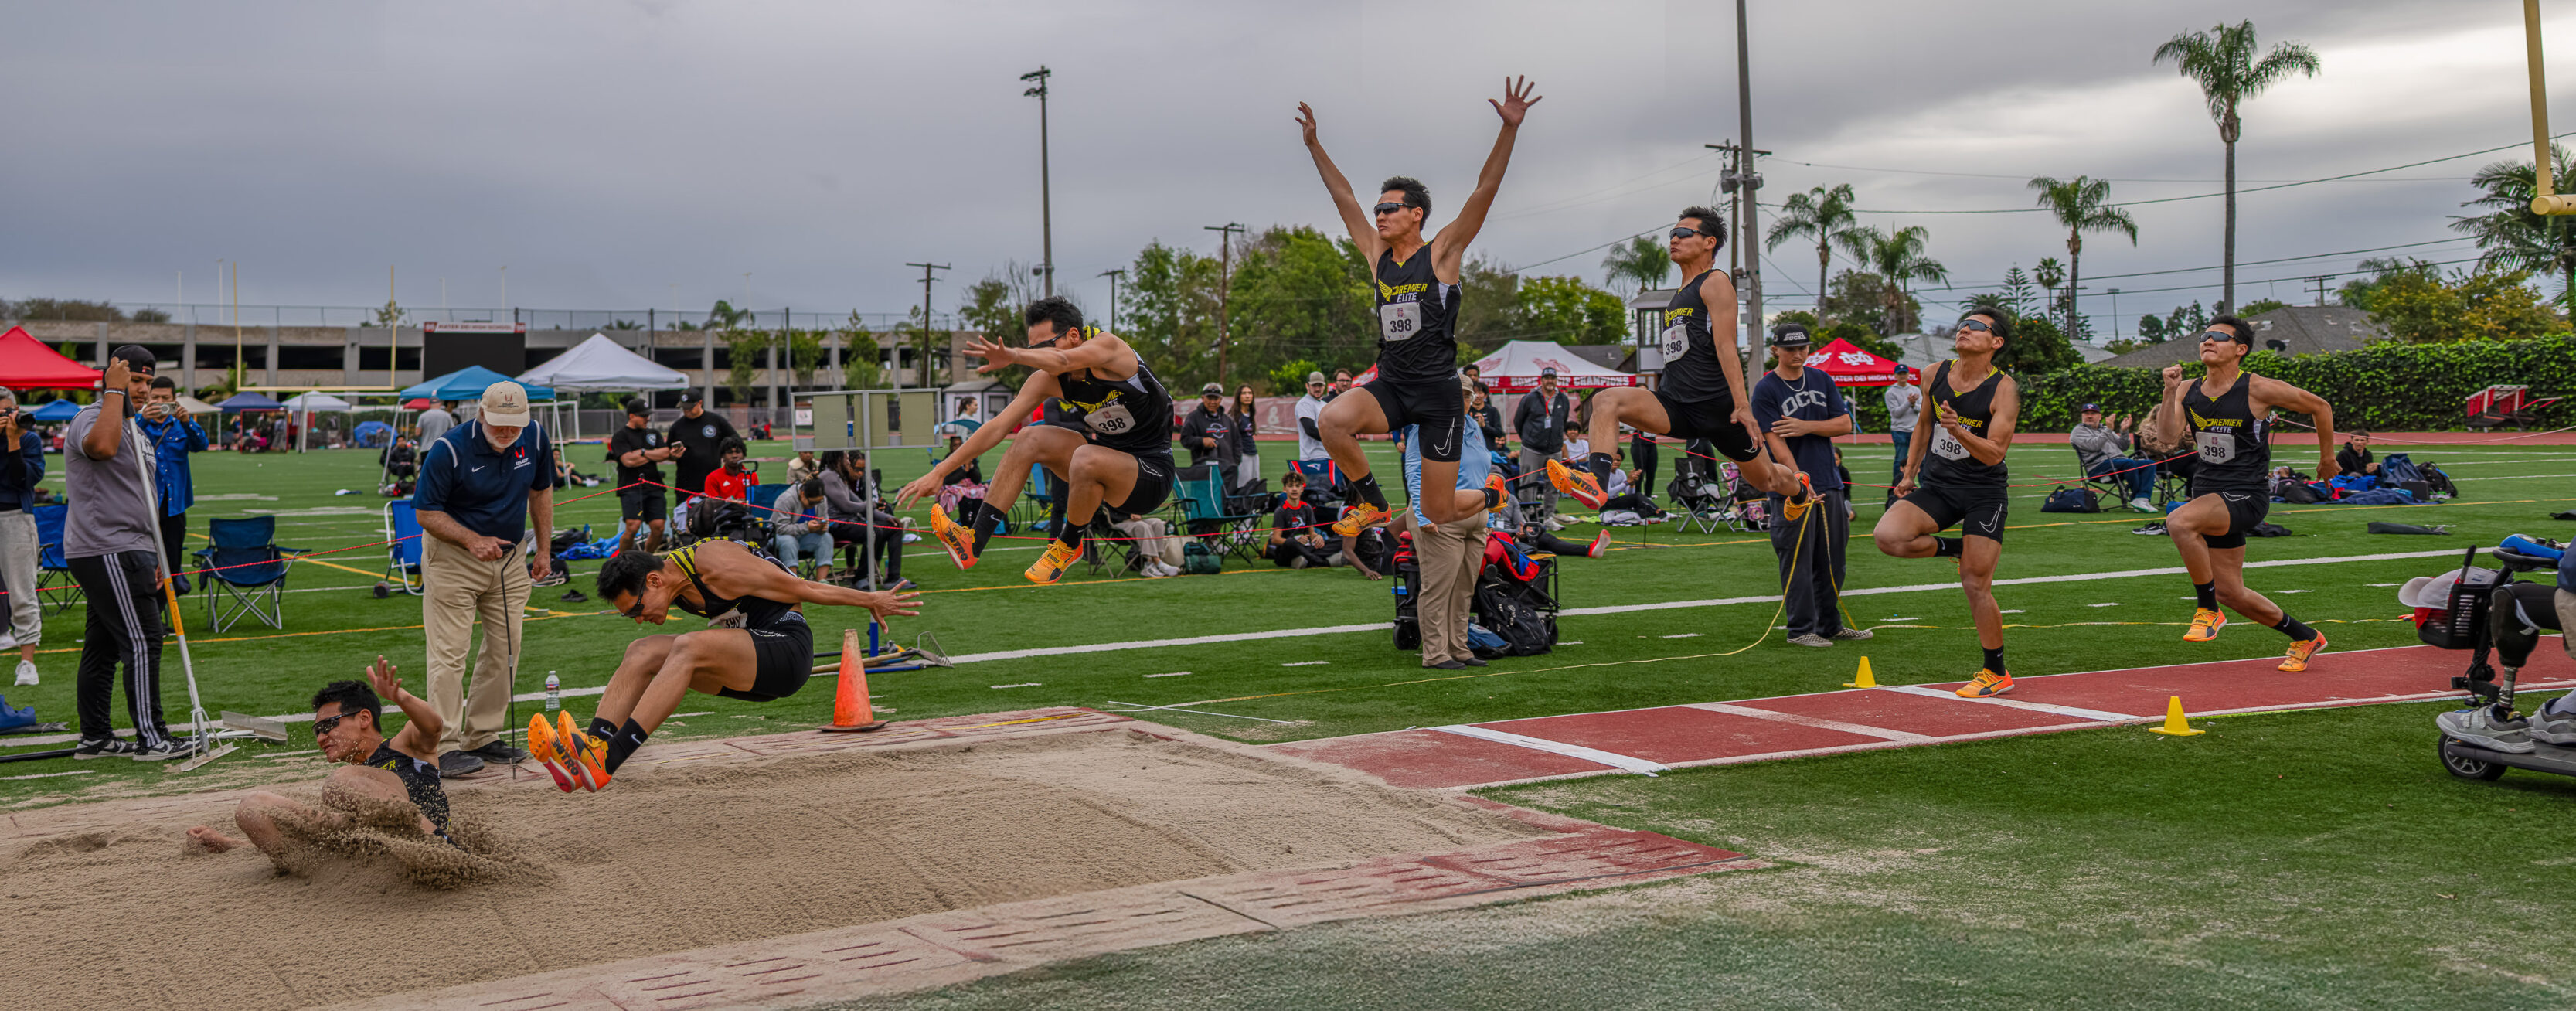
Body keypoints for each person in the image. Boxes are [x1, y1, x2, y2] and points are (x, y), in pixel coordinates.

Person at [1295, 78, 1536, 538]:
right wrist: (1314, 145)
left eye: (1390, 208)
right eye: (1378, 209)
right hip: (1393, 386)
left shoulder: (1441, 254)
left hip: (1438, 394)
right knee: (1331, 420)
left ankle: (1493, 493)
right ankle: (1373, 503)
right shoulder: (1378, 257)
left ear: (1416, 214)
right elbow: (1343, 197)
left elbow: (1485, 189)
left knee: (1437, 510)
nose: (1380, 215)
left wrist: (1509, 129)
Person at [536, 538, 920, 791]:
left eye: (636, 609)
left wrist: (871, 599)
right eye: (629, 615)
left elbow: (805, 588)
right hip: (747, 660)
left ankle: (610, 759)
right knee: (641, 650)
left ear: (653, 581)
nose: (639, 618)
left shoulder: (719, 565)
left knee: (688, 646)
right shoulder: (673, 580)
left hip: (786, 651)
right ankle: (593, 749)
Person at [897, 298, 1183, 585]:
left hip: (1151, 474)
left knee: (1085, 457)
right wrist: (940, 472)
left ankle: (1068, 545)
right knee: (1029, 437)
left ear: (1074, 336)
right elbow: (996, 428)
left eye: (1045, 346)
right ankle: (974, 541)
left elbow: (1064, 360)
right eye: (1034, 349)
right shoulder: (1049, 379)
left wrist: (1014, 355)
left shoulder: (1109, 348)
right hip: (1105, 464)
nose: (1039, 357)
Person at [1550, 206, 1802, 512]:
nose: (1674, 239)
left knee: (1767, 480)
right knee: (1606, 401)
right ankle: (1597, 483)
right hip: (1676, 406)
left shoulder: (1715, 282)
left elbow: (1726, 346)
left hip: (1719, 410)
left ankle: (1800, 490)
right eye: (1672, 234)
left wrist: (1742, 405)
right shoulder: (1677, 297)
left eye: (1683, 233)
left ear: (1709, 242)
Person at [2152, 316, 2336, 672]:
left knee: (2179, 522)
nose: (2208, 341)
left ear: (2240, 349)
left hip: (2246, 495)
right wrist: (2169, 391)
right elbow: (2167, 438)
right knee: (2231, 592)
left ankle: (2207, 609)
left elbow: (2321, 406)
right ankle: (2306, 637)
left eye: (2218, 337)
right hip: (2208, 494)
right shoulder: (2188, 389)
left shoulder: (2258, 388)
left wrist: (2327, 458)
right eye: (2204, 336)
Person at [411, 381, 554, 776]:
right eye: (498, 423)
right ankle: (443, 744)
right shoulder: (449, 449)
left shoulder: (535, 437)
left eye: (515, 424)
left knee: (506, 647)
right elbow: (426, 512)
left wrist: (543, 549)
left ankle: (483, 734)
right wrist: (472, 540)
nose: (507, 432)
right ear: (480, 415)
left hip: (510, 558)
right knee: (449, 653)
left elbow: (541, 492)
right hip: (453, 559)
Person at [1874, 311, 2020, 697]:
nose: (1965, 329)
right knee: (1889, 536)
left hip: (1984, 493)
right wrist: (1909, 473)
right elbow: (1924, 423)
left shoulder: (2004, 389)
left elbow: (1995, 453)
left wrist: (1958, 430)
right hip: (1939, 487)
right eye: (1963, 325)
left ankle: (1996, 672)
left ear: (1996, 343)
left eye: (1977, 327)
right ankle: (1957, 548)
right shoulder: (1934, 373)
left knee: (1974, 582)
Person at [185, 659, 454, 861]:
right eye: (317, 731)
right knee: (252, 805)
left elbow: (433, 726)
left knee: (340, 784)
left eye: (327, 726)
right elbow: (319, 839)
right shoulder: (350, 788)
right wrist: (228, 843)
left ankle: (444, 848)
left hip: (431, 848)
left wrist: (399, 697)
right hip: (374, 858)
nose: (321, 738)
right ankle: (309, 870)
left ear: (364, 718)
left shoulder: (404, 746)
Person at [66, 347, 188, 760]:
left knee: (102, 647)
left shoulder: (137, 428)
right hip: (108, 546)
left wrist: (155, 555)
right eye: (135, 380)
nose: (143, 389)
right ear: (114, 377)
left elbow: (144, 495)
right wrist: (114, 392)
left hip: (132, 548)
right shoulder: (93, 417)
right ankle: (152, 739)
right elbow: (101, 448)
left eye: (148, 382)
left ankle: (96, 738)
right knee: (143, 640)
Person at [1751, 324, 1864, 648]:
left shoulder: (1821, 379)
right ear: (1776, 350)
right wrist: (1799, 481)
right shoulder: (1766, 389)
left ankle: (1830, 625)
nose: (1797, 354)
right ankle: (1800, 630)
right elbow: (1775, 442)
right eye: (1790, 349)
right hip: (1792, 489)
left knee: (1833, 559)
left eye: (1802, 348)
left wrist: (1805, 426)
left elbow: (1844, 423)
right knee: (1798, 561)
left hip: (1830, 482)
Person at [1396, 374, 1506, 671]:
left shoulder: (1473, 427)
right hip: (1440, 516)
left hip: (1476, 517)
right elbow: (1414, 470)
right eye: (1458, 394)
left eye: (1468, 395)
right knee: (1438, 587)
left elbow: (1483, 472)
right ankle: (1435, 653)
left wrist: (1489, 515)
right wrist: (1422, 515)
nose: (1463, 400)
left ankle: (1459, 647)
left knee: (1464, 589)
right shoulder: (1426, 426)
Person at [139, 377, 208, 594]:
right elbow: (123, 445)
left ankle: (169, 603)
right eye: (155, 398)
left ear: (175, 400)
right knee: (145, 560)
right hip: (144, 503)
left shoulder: (181, 424)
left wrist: (188, 422)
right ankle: (150, 607)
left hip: (175, 504)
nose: (160, 403)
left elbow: (201, 445)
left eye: (165, 398)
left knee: (173, 559)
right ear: (148, 398)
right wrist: (142, 420)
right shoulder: (137, 424)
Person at [819, 451, 909, 591]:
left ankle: (894, 578)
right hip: (836, 524)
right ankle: (860, 578)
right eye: (846, 458)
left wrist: (888, 517)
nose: (848, 461)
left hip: (850, 522)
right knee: (873, 531)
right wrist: (871, 504)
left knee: (894, 528)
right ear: (838, 459)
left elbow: (860, 504)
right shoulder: (828, 477)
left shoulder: (838, 477)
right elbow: (847, 506)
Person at [0, 392, 41, 687]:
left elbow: (24, 480)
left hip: (15, 516)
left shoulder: (29, 440)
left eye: (8, 411)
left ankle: (28, 663)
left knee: (22, 591)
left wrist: (13, 441)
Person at [606, 398, 680, 557]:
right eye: (643, 416)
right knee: (633, 527)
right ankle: (623, 560)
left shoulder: (653, 433)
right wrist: (653, 454)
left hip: (654, 485)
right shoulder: (620, 436)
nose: (647, 418)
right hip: (630, 486)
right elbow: (628, 461)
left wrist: (643, 452)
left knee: (659, 527)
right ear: (632, 416)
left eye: (648, 415)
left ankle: (646, 558)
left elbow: (665, 454)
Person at [2071, 403, 2157, 512]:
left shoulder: (2104, 429)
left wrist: (2124, 431)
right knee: (2129, 463)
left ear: (2100, 417)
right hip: (2098, 467)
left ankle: (2143, 498)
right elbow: (2094, 446)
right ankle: (2136, 498)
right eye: (2086, 414)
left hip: (2118, 464)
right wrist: (2108, 430)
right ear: (2082, 416)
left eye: (2093, 413)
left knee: (2149, 464)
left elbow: (2123, 446)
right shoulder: (2078, 431)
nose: (2089, 416)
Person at [1515, 367, 1574, 523]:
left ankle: (1549, 516)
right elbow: (1518, 421)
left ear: (1556, 380)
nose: (1550, 381)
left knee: (1554, 484)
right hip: (1532, 448)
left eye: (1552, 378)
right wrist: (1529, 438)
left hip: (1554, 449)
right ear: (1541, 380)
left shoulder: (1563, 399)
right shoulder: (1530, 397)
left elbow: (1563, 421)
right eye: (1547, 378)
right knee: (1528, 483)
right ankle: (1526, 516)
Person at [665, 390, 739, 502]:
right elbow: (669, 453)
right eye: (684, 408)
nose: (687, 411)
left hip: (713, 481)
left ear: (700, 403)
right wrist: (673, 456)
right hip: (686, 484)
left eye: (690, 408)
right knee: (686, 513)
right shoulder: (677, 427)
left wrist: (726, 454)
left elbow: (735, 441)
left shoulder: (716, 421)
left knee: (714, 512)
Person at [1267, 471, 1340, 569]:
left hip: (1305, 547)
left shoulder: (1307, 508)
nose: (1294, 489)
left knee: (1341, 539)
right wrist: (1296, 540)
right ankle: (1319, 561)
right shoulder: (1281, 511)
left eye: (1297, 486)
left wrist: (1317, 537)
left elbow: (1311, 533)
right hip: (1287, 551)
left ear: (1302, 489)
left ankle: (1303, 560)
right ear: (1285, 489)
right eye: (1290, 486)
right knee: (1291, 542)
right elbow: (1275, 539)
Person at [768, 479, 835, 584]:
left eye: (818, 502)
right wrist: (806, 527)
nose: (815, 505)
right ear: (803, 494)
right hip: (779, 537)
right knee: (789, 541)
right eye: (812, 502)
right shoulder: (786, 499)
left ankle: (822, 582)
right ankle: (793, 581)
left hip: (804, 537)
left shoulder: (822, 500)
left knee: (826, 538)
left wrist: (822, 528)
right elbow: (780, 528)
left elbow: (824, 520)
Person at [1178, 382, 1236, 472]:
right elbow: (1185, 439)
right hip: (1203, 469)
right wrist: (1201, 441)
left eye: (1215, 398)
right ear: (1203, 398)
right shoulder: (1193, 417)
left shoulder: (1227, 419)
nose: (1212, 402)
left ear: (1220, 399)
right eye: (1209, 398)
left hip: (1227, 469)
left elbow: (1237, 442)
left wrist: (1234, 462)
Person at [1884, 375, 1921, 492]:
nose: (1902, 376)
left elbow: (1922, 408)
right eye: (1900, 374)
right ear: (1896, 376)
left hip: (1915, 430)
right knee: (1900, 459)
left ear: (1908, 374)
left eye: (1904, 373)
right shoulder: (1891, 392)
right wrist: (1909, 403)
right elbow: (1896, 413)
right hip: (1899, 430)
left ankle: (1924, 486)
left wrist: (1913, 404)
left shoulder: (1915, 389)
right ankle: (1897, 484)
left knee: (1921, 459)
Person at [1294, 371, 1332, 465]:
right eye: (1314, 386)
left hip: (1328, 456)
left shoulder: (1324, 404)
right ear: (1307, 386)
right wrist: (1333, 439)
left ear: (1324, 386)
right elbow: (1310, 429)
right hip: (1312, 457)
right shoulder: (1305, 403)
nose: (1317, 389)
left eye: (1320, 385)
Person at [1230, 384, 1262, 492]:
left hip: (1253, 453)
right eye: (1244, 393)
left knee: (1255, 485)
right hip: (1243, 456)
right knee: (1243, 487)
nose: (1247, 396)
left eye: (1250, 393)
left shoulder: (1250, 413)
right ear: (1238, 396)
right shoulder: (1234, 416)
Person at [702, 436, 755, 502]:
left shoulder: (752, 475)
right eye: (730, 452)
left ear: (744, 455)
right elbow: (712, 504)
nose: (735, 456)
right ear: (723, 456)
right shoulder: (713, 478)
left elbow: (757, 501)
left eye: (738, 452)